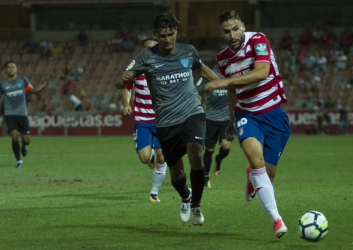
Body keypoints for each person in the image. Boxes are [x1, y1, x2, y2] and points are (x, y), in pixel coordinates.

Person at [115, 13, 220, 226]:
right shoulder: (145, 58)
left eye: (171, 34)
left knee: (196, 155)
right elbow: (121, 83)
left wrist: (223, 82)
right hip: (165, 121)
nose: (167, 39)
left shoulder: (188, 51)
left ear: (176, 32)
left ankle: (197, 205)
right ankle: (185, 196)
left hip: (192, 113)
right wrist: (122, 80)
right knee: (176, 173)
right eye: (162, 35)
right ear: (155, 34)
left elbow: (202, 70)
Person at [205, 10, 290, 238]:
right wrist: (233, 120)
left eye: (235, 29)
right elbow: (233, 90)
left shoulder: (258, 40)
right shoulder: (222, 59)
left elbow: (262, 72)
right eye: (226, 31)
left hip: (274, 115)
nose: (232, 35)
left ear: (242, 26)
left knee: (266, 175)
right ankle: (276, 220)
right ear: (221, 33)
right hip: (247, 114)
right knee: (256, 160)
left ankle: (251, 179)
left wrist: (225, 81)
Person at [122, 36, 167, 203]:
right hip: (142, 121)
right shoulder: (135, 68)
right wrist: (126, 103)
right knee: (144, 158)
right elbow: (126, 87)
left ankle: (154, 192)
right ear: (143, 51)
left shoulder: (166, 68)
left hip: (162, 120)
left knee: (163, 157)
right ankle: (151, 157)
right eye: (148, 48)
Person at [0, 61, 47, 168]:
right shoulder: (2, 84)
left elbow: (32, 90)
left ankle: (23, 145)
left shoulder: (23, 80)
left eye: (13, 67)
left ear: (16, 69)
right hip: (9, 114)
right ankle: (19, 161)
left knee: (26, 140)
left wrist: (41, 87)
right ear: (6, 70)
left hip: (22, 114)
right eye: (9, 67)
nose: (11, 69)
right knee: (14, 135)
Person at [196, 52, 231, 188]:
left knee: (226, 147)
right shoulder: (207, 75)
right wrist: (199, 98)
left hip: (226, 119)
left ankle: (219, 159)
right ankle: (205, 177)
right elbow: (197, 90)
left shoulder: (230, 76)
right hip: (210, 117)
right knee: (209, 149)